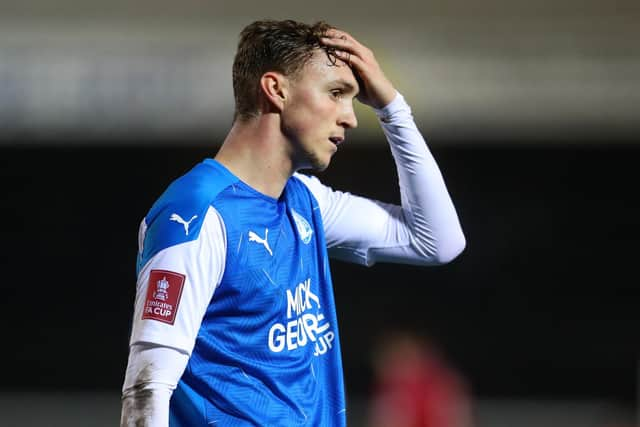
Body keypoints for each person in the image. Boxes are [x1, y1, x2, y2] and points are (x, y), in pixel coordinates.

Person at [120, 19, 465, 427]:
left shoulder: (305, 200)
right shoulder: (197, 213)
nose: (350, 118)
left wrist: (392, 108)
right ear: (276, 89)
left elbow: (437, 241)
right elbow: (148, 388)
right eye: (336, 93)